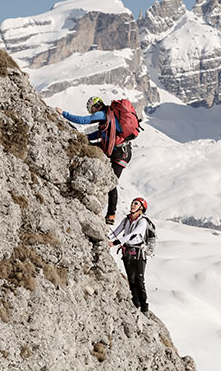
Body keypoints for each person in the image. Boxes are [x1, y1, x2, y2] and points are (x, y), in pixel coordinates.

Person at [55, 96, 133, 224]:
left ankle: (111, 215)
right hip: (117, 151)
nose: (92, 113)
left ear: (96, 106)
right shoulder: (108, 118)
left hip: (120, 153)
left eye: (91, 110)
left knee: (111, 183)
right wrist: (83, 137)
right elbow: (99, 135)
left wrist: (64, 114)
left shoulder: (103, 114)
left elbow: (84, 120)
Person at [108, 197, 151, 313]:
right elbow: (116, 232)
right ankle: (136, 303)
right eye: (133, 203)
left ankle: (144, 307)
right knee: (131, 279)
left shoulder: (143, 221)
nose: (133, 205)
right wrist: (106, 239)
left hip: (138, 254)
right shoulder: (126, 220)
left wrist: (114, 243)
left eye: (136, 204)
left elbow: (133, 235)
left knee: (139, 279)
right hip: (127, 252)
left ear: (141, 208)